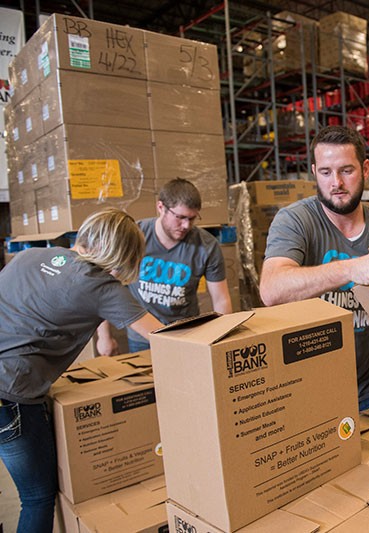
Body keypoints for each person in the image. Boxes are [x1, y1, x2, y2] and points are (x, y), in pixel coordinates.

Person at [0, 209, 163, 532]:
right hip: (11, 394)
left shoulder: (31, 256)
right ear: (124, 254)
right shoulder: (100, 285)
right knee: (36, 497)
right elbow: (164, 337)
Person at [259, 126, 369, 411]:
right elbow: (271, 290)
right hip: (305, 394)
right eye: (325, 172)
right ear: (314, 171)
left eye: (346, 171)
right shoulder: (295, 221)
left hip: (365, 390)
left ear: (366, 169)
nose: (335, 182)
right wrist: (351, 270)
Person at [97, 178, 232, 354]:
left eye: (192, 219)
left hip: (186, 334)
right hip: (143, 337)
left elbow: (221, 299)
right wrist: (104, 337)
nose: (186, 225)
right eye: (180, 217)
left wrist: (225, 341)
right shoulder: (135, 236)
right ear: (160, 207)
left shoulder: (206, 246)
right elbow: (103, 286)